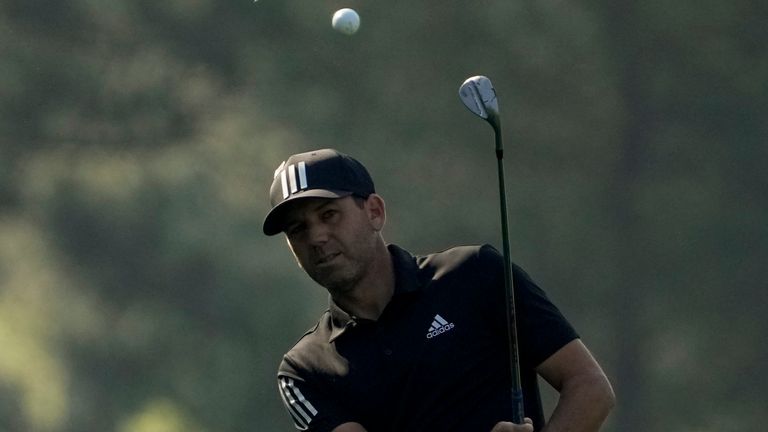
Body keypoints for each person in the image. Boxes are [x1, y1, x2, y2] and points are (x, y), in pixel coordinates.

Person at [264, 148, 615, 432]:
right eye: (298, 229)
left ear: (374, 212)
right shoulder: (304, 370)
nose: (316, 237)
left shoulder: (475, 274)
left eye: (329, 215)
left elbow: (589, 388)